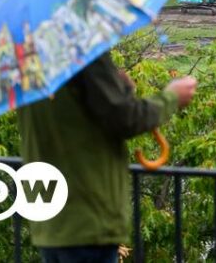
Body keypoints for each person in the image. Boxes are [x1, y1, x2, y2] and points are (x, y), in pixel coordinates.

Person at [17, 51, 197, 263]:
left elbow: (74, 119)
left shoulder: (27, 59)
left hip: (49, 220)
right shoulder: (82, 53)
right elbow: (124, 119)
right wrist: (171, 97)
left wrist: (120, 89)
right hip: (87, 217)